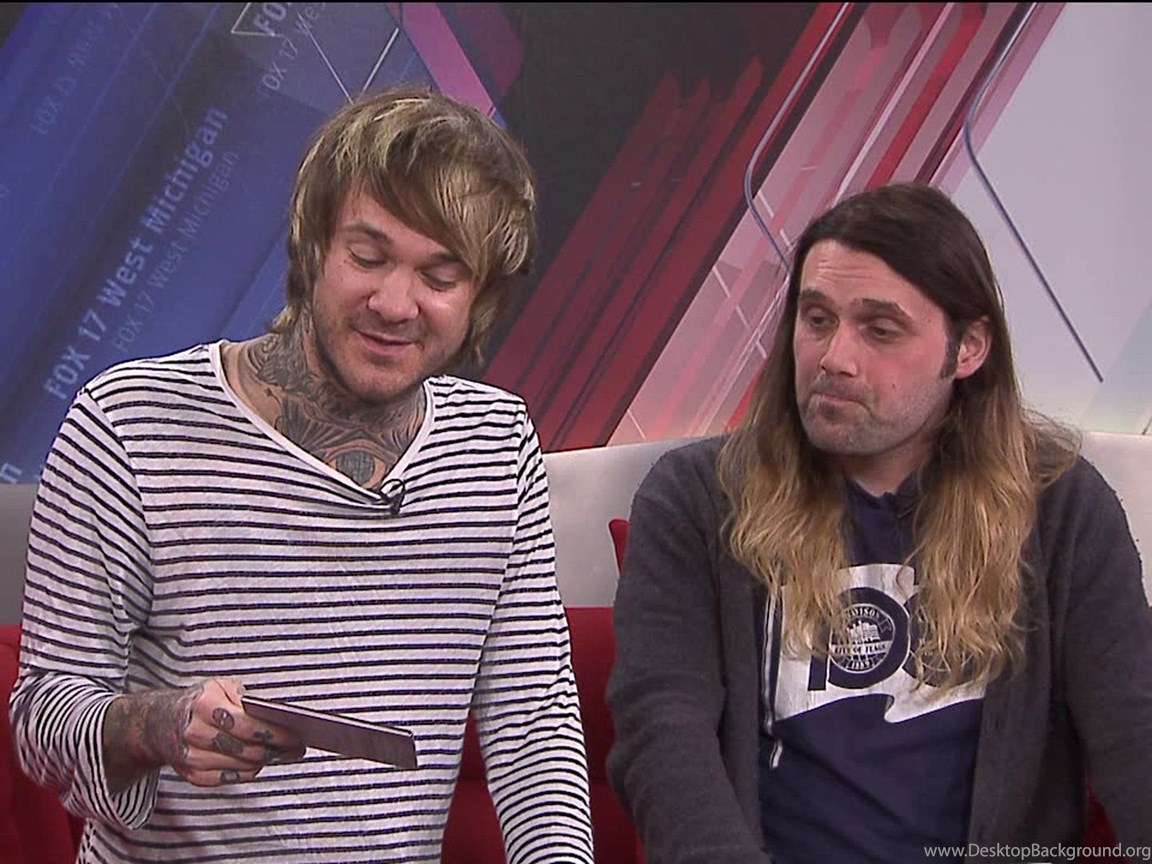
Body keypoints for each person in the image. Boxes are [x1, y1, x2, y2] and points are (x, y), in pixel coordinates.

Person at [11, 85, 595, 863]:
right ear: (313, 244)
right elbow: (42, 722)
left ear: (480, 297)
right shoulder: (129, 424)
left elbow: (533, 728)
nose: (395, 303)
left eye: (440, 276)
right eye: (368, 257)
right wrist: (159, 724)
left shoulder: (494, 444)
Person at [606, 182, 1151, 863]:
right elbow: (662, 732)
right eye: (817, 319)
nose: (834, 357)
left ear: (968, 347)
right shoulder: (698, 500)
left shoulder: (1061, 508)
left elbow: (1134, 729)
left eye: (880, 329)